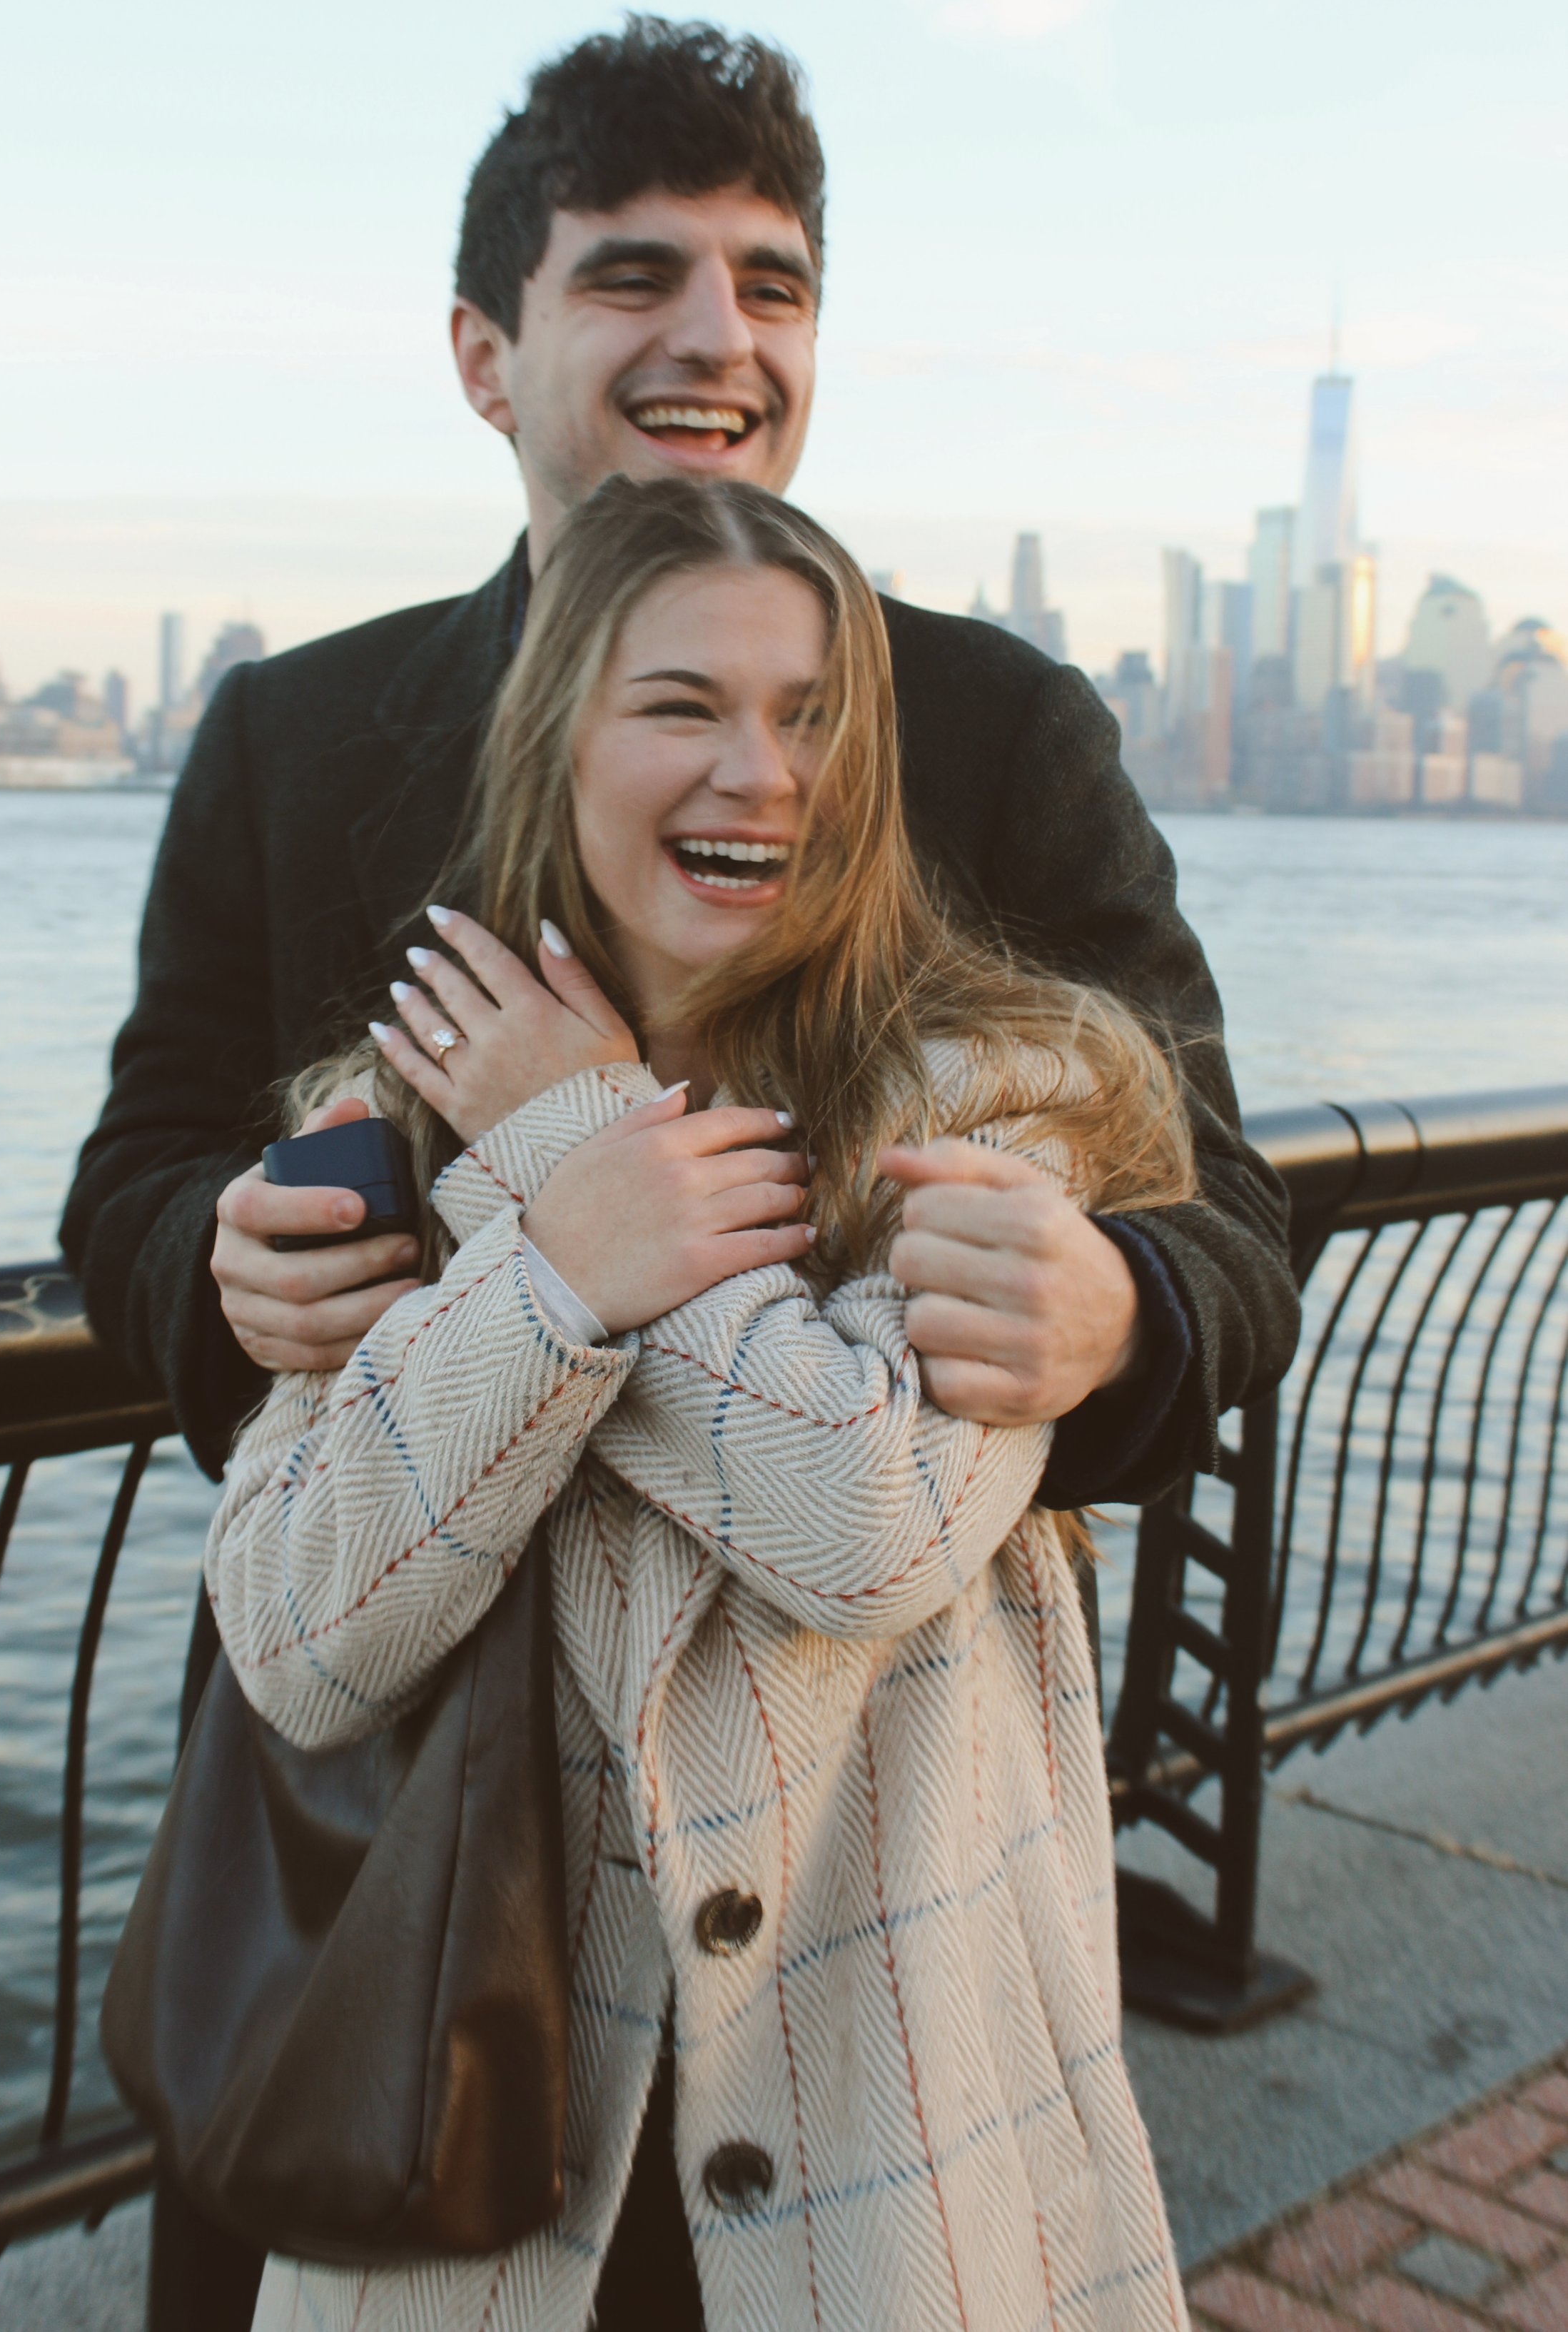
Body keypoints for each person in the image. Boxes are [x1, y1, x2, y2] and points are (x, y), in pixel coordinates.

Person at [62, 17, 1298, 2328]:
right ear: (483, 348)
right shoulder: (300, 732)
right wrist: (213, 1273)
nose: (718, 337)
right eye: (635, 276)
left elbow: (1218, 1211)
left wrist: (1124, 1310)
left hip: (848, 1888)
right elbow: (144, 1157)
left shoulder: (992, 729)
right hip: (411, 1866)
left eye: (775, 283)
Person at [206, 475, 1200, 2332]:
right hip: (477, 2152)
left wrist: (572, 1151)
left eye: (811, 716)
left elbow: (868, 1522)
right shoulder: (385, 1116)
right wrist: (555, 1255)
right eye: (682, 705)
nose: (761, 772)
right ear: (558, 736)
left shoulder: (996, 1094)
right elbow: (298, 1644)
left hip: (888, 2150)